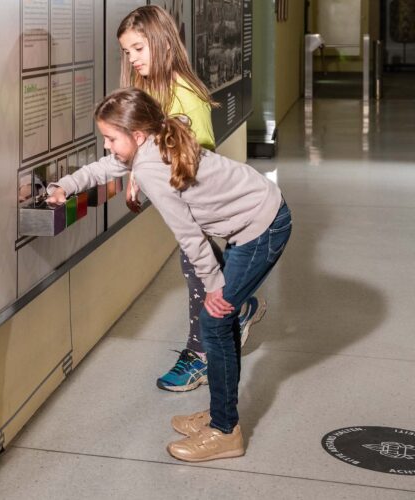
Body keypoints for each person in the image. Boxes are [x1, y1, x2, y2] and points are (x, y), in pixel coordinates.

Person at [46, 88, 291, 461]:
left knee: (214, 320)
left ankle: (225, 431)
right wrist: (65, 185)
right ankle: (221, 411)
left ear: (137, 135)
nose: (107, 145)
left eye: (111, 138)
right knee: (219, 321)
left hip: (262, 225)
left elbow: (189, 234)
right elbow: (105, 167)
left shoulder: (149, 168)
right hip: (255, 214)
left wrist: (214, 286)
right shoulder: (154, 140)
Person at [116, 5, 266, 392]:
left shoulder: (185, 95)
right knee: (198, 263)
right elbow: (144, 142)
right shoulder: (148, 90)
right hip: (179, 195)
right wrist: (136, 174)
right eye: (127, 52)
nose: (132, 59)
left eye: (138, 49)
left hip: (198, 195)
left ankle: (199, 354)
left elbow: (202, 156)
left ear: (162, 43)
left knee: (196, 265)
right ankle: (240, 305)